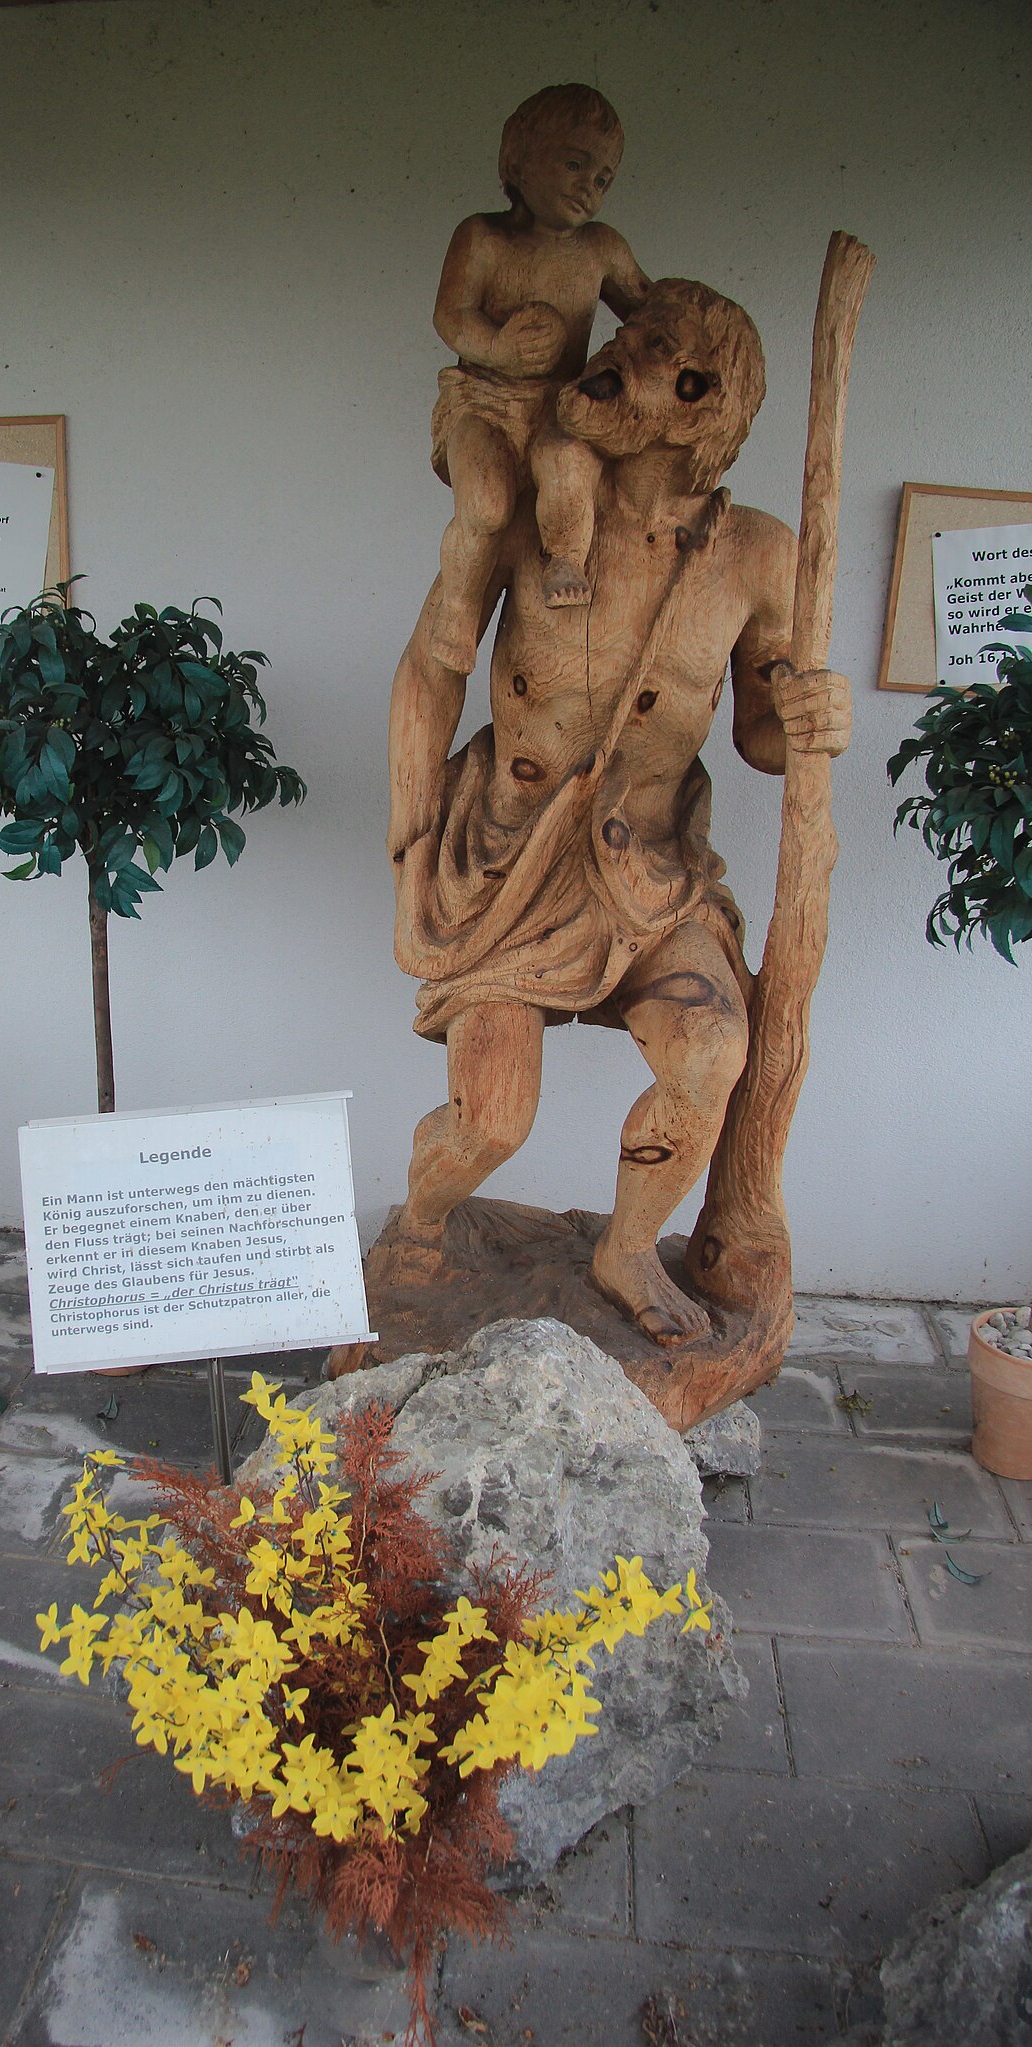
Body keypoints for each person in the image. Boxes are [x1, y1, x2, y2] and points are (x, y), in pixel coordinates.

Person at [389, 280, 852, 1344]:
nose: (611, 350)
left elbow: (763, 734)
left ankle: (629, 1246)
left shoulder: (757, 555)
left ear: (695, 397)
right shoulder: (522, 512)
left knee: (711, 1051)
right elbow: (433, 662)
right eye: (627, 330)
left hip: (648, 869)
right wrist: (409, 832)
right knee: (490, 1122)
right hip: (506, 862)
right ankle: (417, 1219)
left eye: (650, 347)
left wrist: (811, 715)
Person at [429, 82, 651, 676]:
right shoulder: (482, 237)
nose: (588, 187)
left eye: (603, 178)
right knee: (486, 504)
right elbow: (450, 315)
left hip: (560, 407)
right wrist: (498, 347)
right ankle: (458, 607)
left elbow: (650, 312)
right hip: (483, 403)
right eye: (575, 164)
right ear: (519, 160)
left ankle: (566, 557)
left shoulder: (602, 249)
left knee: (569, 463)